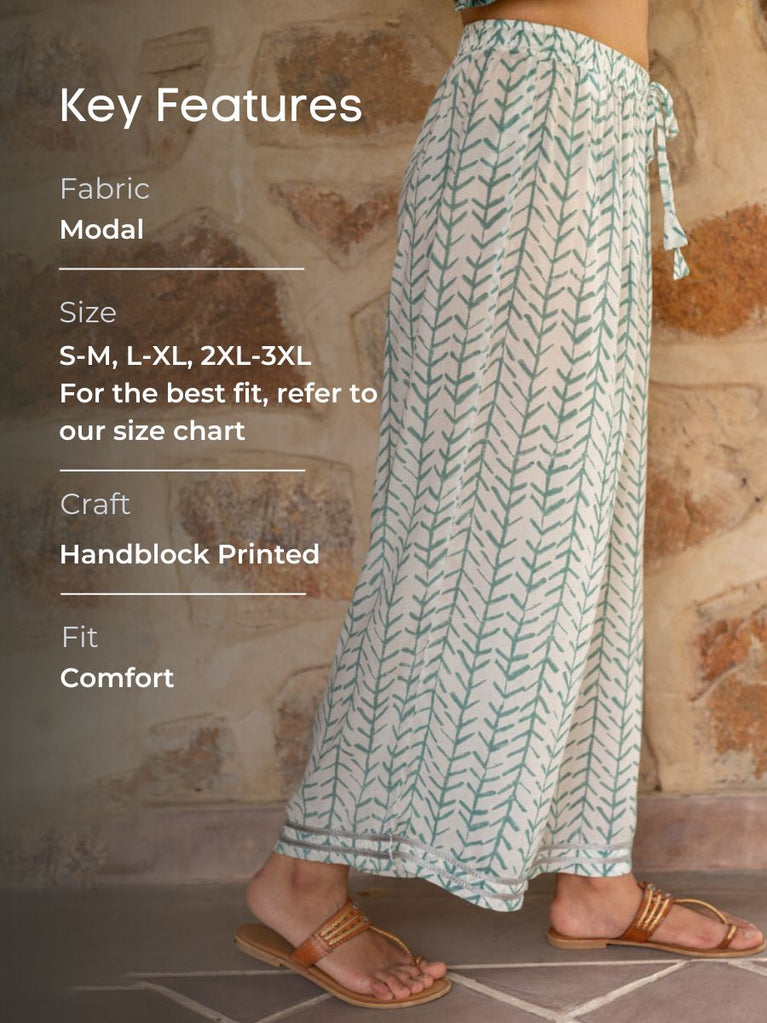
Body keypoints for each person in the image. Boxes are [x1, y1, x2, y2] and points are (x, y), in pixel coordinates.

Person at [234, 0, 765, 1008]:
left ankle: (594, 878)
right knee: (464, 531)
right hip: (527, 123)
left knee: (584, 535)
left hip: (597, 127)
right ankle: (301, 875)